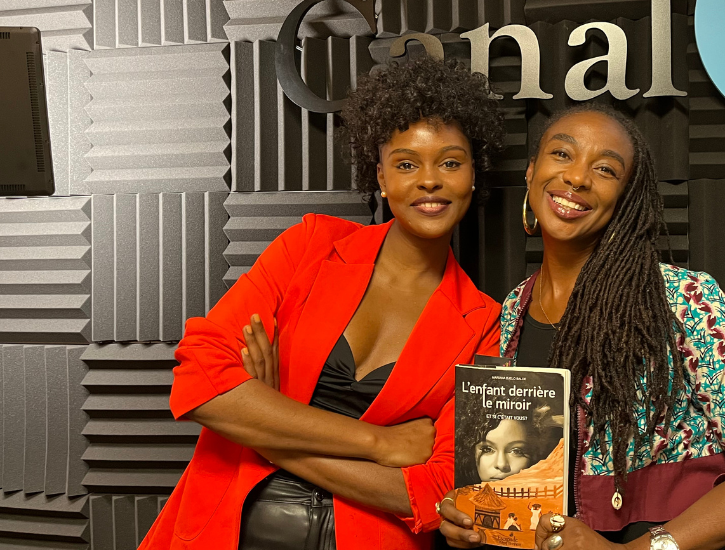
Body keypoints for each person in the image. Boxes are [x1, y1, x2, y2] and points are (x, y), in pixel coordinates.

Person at [139, 57, 506, 550]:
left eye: (450, 162)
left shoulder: (482, 322)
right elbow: (201, 381)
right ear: (380, 177)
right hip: (228, 527)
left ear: (473, 176)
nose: (429, 180)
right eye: (405, 163)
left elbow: (438, 491)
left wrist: (268, 430)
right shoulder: (310, 246)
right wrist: (382, 443)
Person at [437, 104, 725, 550]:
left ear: (626, 196)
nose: (577, 177)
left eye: (606, 169)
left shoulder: (683, 299)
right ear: (532, 173)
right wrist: (476, 516)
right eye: (562, 155)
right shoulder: (515, 308)